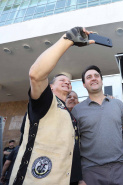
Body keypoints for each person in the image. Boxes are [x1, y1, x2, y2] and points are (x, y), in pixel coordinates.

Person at [9, 27, 94, 185]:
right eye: (62, 80)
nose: (67, 82)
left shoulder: (68, 114)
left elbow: (70, 151)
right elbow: (36, 74)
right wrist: (68, 39)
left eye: (69, 81)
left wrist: (78, 179)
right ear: (51, 88)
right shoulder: (45, 101)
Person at [71, 65, 123, 185]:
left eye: (96, 76)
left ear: (101, 80)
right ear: (84, 84)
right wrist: (79, 177)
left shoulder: (118, 104)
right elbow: (73, 144)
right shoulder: (77, 110)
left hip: (120, 168)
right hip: (90, 171)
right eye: (89, 77)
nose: (93, 78)